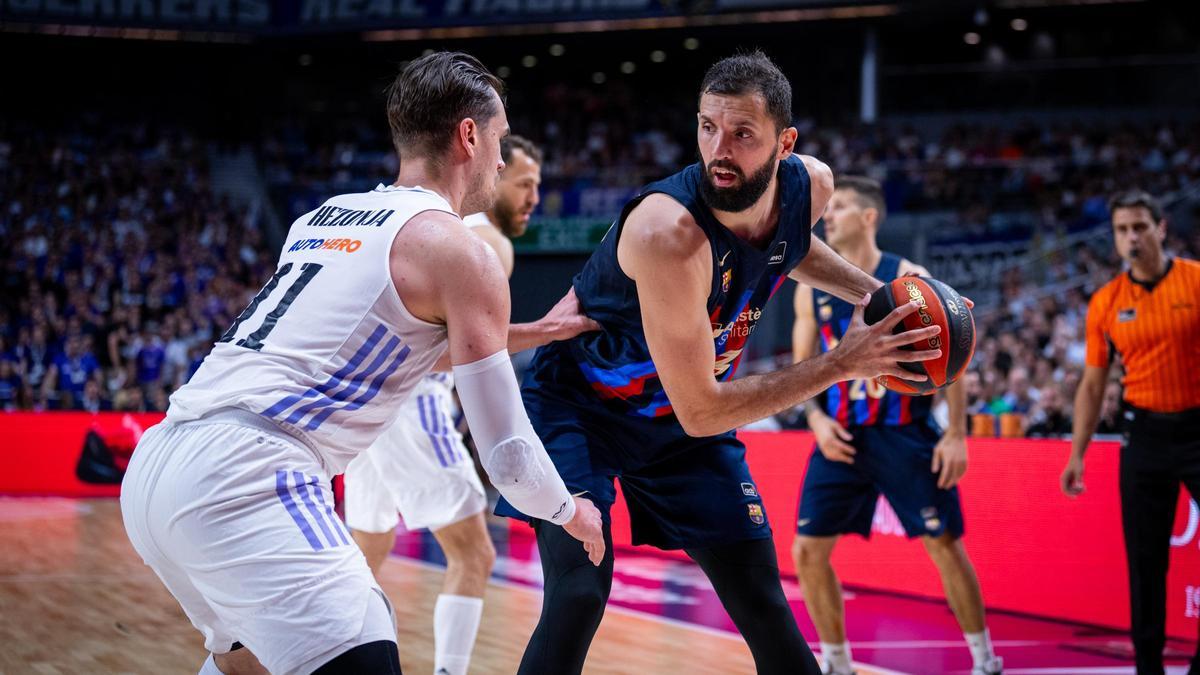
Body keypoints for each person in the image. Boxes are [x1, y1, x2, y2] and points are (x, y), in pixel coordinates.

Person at [119, 51, 605, 675]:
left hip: (162, 462)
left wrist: (538, 330)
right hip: (251, 475)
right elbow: (507, 457)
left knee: (252, 663)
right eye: (500, 138)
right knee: (366, 639)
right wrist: (570, 511)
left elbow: (386, 350)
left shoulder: (321, 217)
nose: (501, 156)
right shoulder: (463, 250)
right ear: (468, 135)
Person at [496, 51, 944, 675]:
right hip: (583, 410)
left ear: (785, 143)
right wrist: (841, 362)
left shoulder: (810, 185)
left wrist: (874, 296)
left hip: (677, 427)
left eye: (741, 134)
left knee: (763, 601)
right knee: (577, 594)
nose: (719, 150)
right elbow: (703, 409)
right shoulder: (668, 234)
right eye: (708, 127)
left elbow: (790, 244)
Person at [341, 134, 545, 675]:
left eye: (539, 188)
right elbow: (458, 356)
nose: (533, 198)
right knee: (473, 553)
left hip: (367, 403)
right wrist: (548, 332)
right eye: (524, 183)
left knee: (366, 552)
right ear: (492, 177)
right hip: (411, 402)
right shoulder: (485, 244)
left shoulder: (430, 231)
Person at [791, 176, 1002, 675]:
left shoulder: (909, 277)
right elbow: (803, 367)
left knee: (944, 545)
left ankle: (985, 661)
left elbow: (953, 357)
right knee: (806, 550)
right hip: (842, 434)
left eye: (839, 207)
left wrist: (955, 433)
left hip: (905, 433)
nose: (828, 215)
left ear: (869, 217)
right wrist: (816, 420)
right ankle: (838, 665)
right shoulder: (809, 291)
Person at [1061, 189, 1200, 674]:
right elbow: (1093, 385)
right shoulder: (1105, 302)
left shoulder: (1196, 281)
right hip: (1143, 439)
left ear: (1160, 228)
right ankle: (1148, 667)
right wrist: (1076, 453)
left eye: (1140, 226)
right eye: (1122, 229)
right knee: (1145, 565)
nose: (1132, 236)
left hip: (1198, 429)